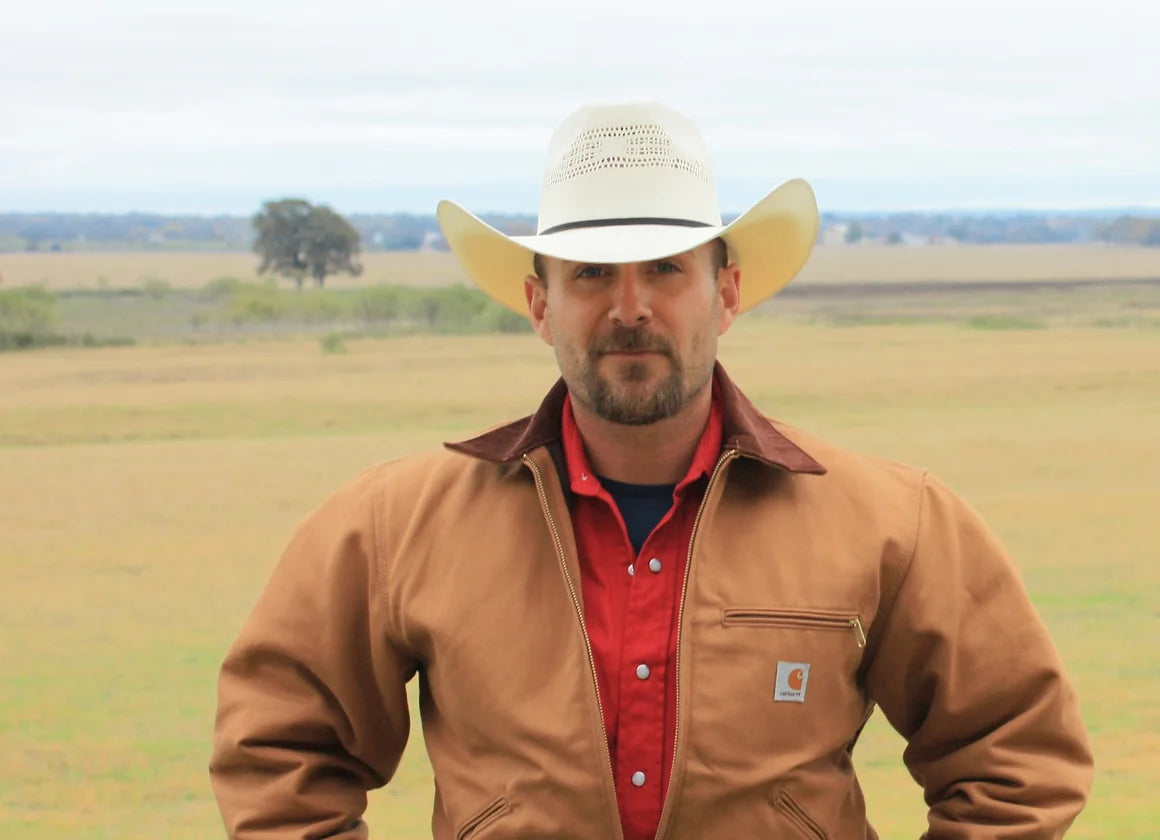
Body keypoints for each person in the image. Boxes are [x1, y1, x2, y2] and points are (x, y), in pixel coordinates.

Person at [210, 102, 1093, 839]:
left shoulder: (891, 519)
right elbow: (280, 748)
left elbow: (1016, 758)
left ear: (728, 293)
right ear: (538, 302)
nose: (630, 307)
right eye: (592, 272)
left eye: (666, 269)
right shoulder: (398, 524)